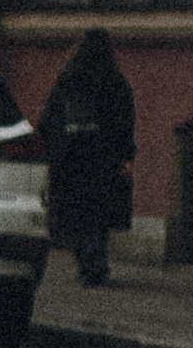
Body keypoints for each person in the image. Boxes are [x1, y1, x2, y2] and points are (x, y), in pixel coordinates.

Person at [42, 28, 135, 288]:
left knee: (77, 214)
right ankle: (95, 266)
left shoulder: (68, 79)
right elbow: (125, 123)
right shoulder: (116, 83)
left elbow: (50, 119)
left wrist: (50, 151)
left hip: (71, 158)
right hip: (103, 159)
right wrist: (126, 156)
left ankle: (86, 263)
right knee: (98, 215)